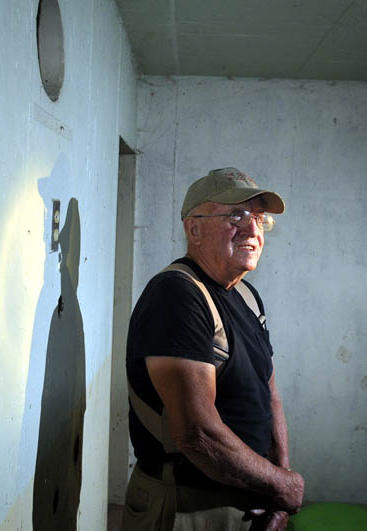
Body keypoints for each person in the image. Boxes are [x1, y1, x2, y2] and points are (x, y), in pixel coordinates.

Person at [122, 168, 305, 531]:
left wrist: (278, 486)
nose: (252, 229)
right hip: (188, 508)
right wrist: (279, 484)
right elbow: (197, 433)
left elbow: (269, 395)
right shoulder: (177, 295)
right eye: (236, 215)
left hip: (249, 498)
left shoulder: (247, 297)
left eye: (257, 217)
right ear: (194, 229)